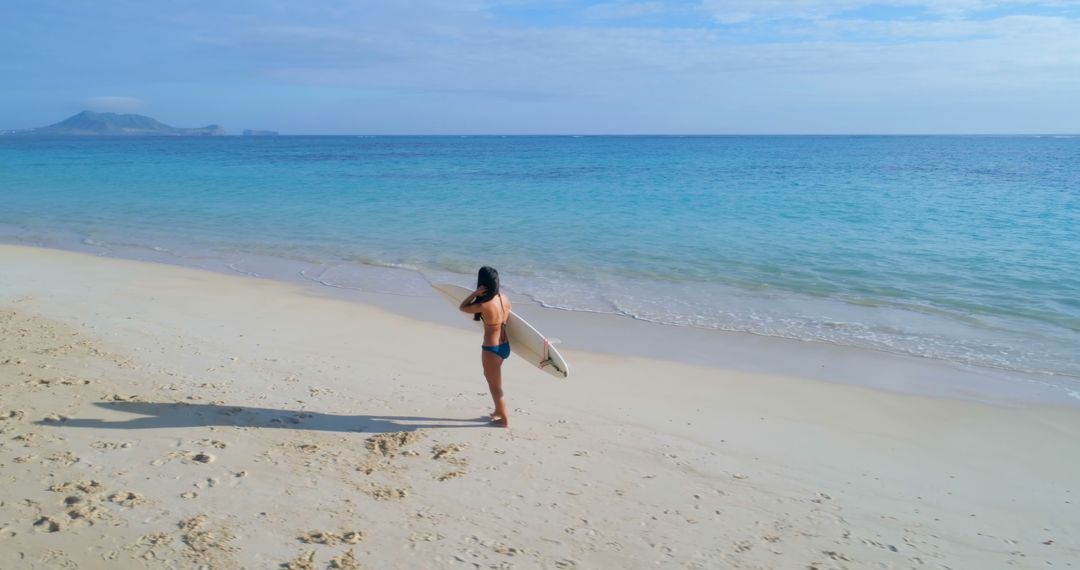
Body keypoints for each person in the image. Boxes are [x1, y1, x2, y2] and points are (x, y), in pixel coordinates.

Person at [458, 266, 512, 427]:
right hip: (505, 346)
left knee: (495, 386)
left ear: (482, 283)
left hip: (491, 348)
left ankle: (504, 420)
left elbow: (463, 307)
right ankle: (497, 411)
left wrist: (475, 294)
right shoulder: (505, 298)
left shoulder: (484, 305)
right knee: (491, 379)